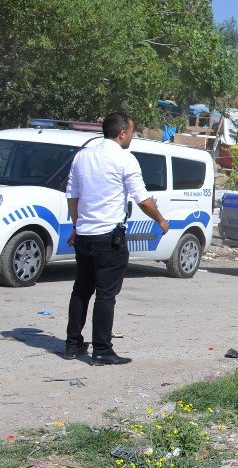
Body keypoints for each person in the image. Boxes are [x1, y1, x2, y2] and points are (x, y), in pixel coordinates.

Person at [63, 113, 169, 365]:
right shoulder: (125, 159)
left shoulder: (82, 156)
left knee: (81, 290)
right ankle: (101, 350)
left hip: (85, 236)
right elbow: (142, 199)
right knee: (106, 295)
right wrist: (160, 219)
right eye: (132, 132)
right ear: (122, 133)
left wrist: (77, 225)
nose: (132, 136)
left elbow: (72, 194)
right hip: (109, 238)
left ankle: (72, 344)